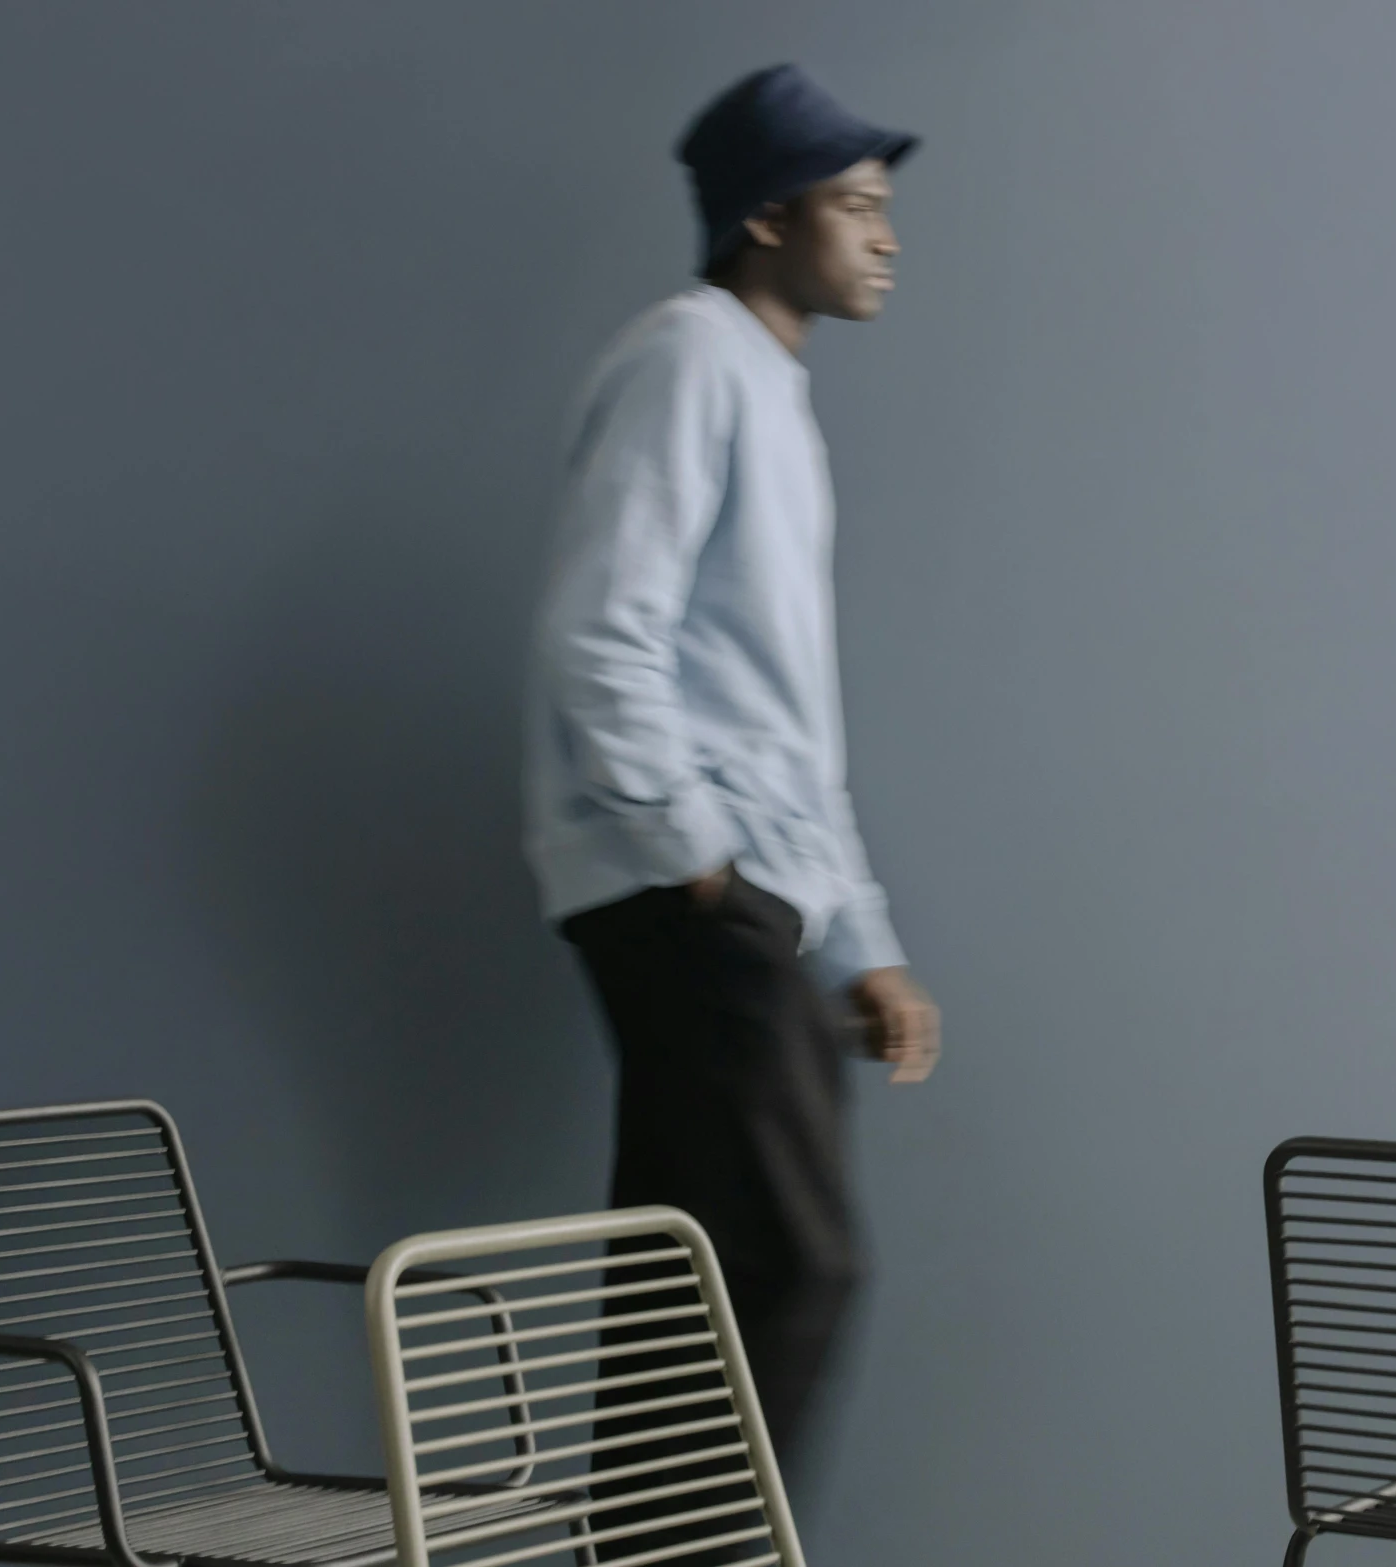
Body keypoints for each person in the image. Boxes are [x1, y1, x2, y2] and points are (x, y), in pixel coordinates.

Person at [520, 61, 942, 1495]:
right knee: (784, 1262)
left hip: (735, 891)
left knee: (691, 1275)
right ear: (768, 216)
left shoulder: (760, 382)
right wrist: (693, 852)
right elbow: (599, 625)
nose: (887, 237)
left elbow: (780, 724)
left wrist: (864, 939)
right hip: (688, 891)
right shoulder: (689, 354)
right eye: (859, 206)